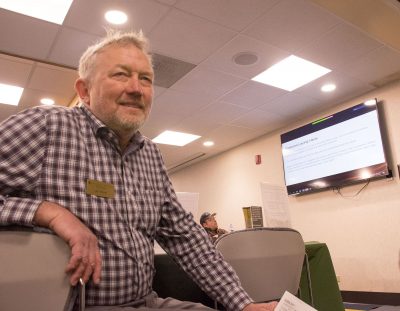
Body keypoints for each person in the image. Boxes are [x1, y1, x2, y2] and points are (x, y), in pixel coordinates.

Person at [0, 30, 277, 311]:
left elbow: (188, 239)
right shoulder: (46, 127)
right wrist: (51, 213)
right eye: (120, 75)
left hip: (146, 302)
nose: (136, 88)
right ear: (84, 91)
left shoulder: (151, 155)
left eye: (145, 79)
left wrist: (243, 304)